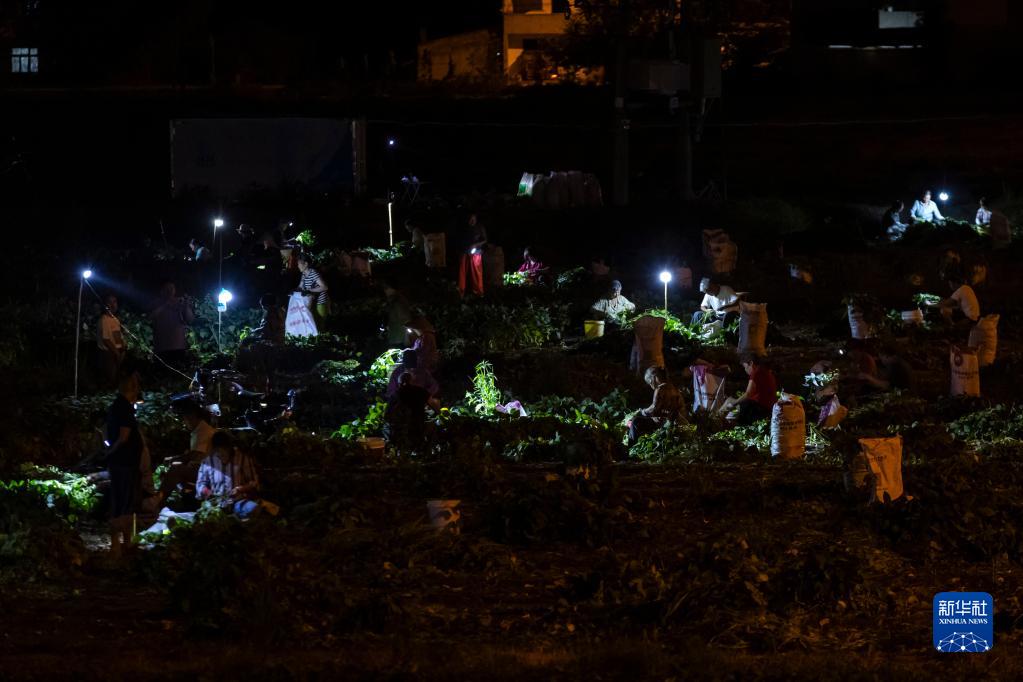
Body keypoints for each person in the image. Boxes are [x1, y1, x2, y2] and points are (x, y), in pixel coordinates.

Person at [105, 372, 144, 558]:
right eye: (136, 385)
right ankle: (117, 544)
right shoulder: (124, 407)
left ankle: (126, 542)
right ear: (132, 388)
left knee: (122, 502)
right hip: (124, 462)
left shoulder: (117, 405)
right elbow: (124, 436)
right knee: (123, 502)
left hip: (122, 462)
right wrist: (110, 452)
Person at [158, 401, 217, 501]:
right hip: (202, 469)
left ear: (192, 417)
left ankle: (158, 500)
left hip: (206, 472)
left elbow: (195, 454)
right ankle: (185, 496)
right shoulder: (199, 430)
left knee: (176, 469)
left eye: (185, 419)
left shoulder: (203, 431)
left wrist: (174, 459)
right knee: (173, 469)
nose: (185, 423)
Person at [196, 431, 260, 518]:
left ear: (230, 448)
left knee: (254, 508)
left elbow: (253, 482)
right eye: (218, 452)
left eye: (224, 451)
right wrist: (208, 492)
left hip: (237, 502)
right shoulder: (208, 461)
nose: (221, 455)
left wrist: (240, 489)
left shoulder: (242, 459)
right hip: (215, 506)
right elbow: (200, 484)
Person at [627, 366, 682, 445]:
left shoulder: (660, 389)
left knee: (635, 421)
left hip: (663, 423)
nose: (650, 385)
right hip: (672, 420)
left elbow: (654, 408)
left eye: (649, 383)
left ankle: (630, 447)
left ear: (653, 378)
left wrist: (642, 412)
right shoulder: (672, 387)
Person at [384, 371, 437, 453]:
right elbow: (434, 405)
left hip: (400, 431)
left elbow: (387, 415)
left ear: (399, 383)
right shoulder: (420, 391)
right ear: (412, 381)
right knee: (434, 427)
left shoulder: (395, 395)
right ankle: (426, 453)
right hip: (418, 427)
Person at [723, 355, 777, 426]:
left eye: (745, 367)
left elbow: (748, 394)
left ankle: (714, 421)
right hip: (768, 408)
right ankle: (722, 422)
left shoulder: (756, 372)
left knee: (729, 402)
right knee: (732, 405)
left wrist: (733, 403)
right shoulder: (765, 371)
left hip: (759, 409)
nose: (745, 370)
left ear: (751, 363)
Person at [150, 282, 194, 369]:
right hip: (162, 347)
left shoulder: (180, 303)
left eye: (172, 289)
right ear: (162, 291)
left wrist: (186, 305)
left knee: (178, 373)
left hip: (179, 346)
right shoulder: (156, 303)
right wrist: (166, 305)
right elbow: (150, 317)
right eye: (167, 289)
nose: (170, 291)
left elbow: (190, 320)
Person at [96, 294, 126, 389]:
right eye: (110, 302)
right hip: (109, 353)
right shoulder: (104, 319)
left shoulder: (116, 319)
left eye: (114, 302)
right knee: (111, 380)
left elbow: (119, 335)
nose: (113, 304)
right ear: (105, 305)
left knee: (119, 379)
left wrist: (123, 348)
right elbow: (106, 339)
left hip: (118, 352)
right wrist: (117, 353)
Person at [457, 213, 487, 296]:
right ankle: (461, 292)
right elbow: (459, 239)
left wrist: (475, 245)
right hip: (464, 251)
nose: (472, 221)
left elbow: (485, 240)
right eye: (470, 219)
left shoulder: (480, 227)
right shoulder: (464, 228)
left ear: (476, 219)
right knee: (462, 272)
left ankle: (479, 292)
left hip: (476, 252)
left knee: (476, 272)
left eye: (473, 219)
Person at [297, 253, 330, 324]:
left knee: (320, 323)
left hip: (319, 302)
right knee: (314, 323)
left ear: (306, 264)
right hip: (311, 302)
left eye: (299, 264)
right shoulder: (304, 274)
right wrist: (294, 291)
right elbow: (300, 286)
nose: (298, 266)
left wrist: (310, 290)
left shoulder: (313, 273)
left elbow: (324, 287)